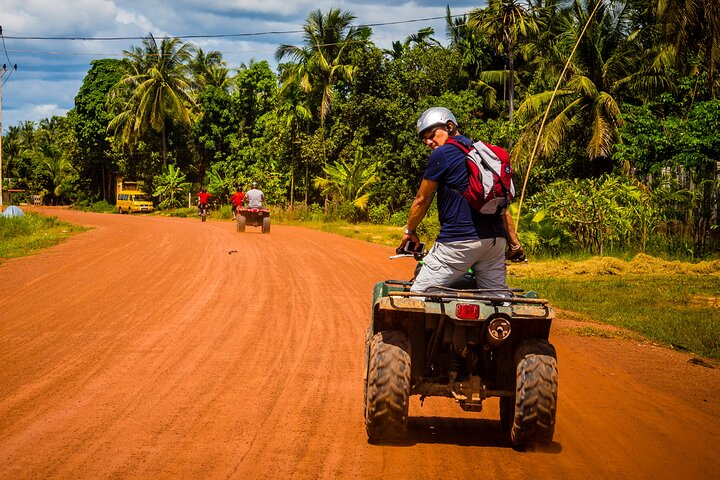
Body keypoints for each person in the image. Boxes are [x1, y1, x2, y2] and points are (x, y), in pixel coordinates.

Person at [399, 106, 524, 294]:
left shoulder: (442, 154)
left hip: (459, 241)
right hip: (494, 243)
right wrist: (514, 244)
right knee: (498, 301)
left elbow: (421, 200)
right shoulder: (481, 152)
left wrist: (410, 231)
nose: (428, 141)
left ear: (450, 126)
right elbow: (500, 208)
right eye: (423, 138)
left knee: (419, 294)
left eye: (431, 134)